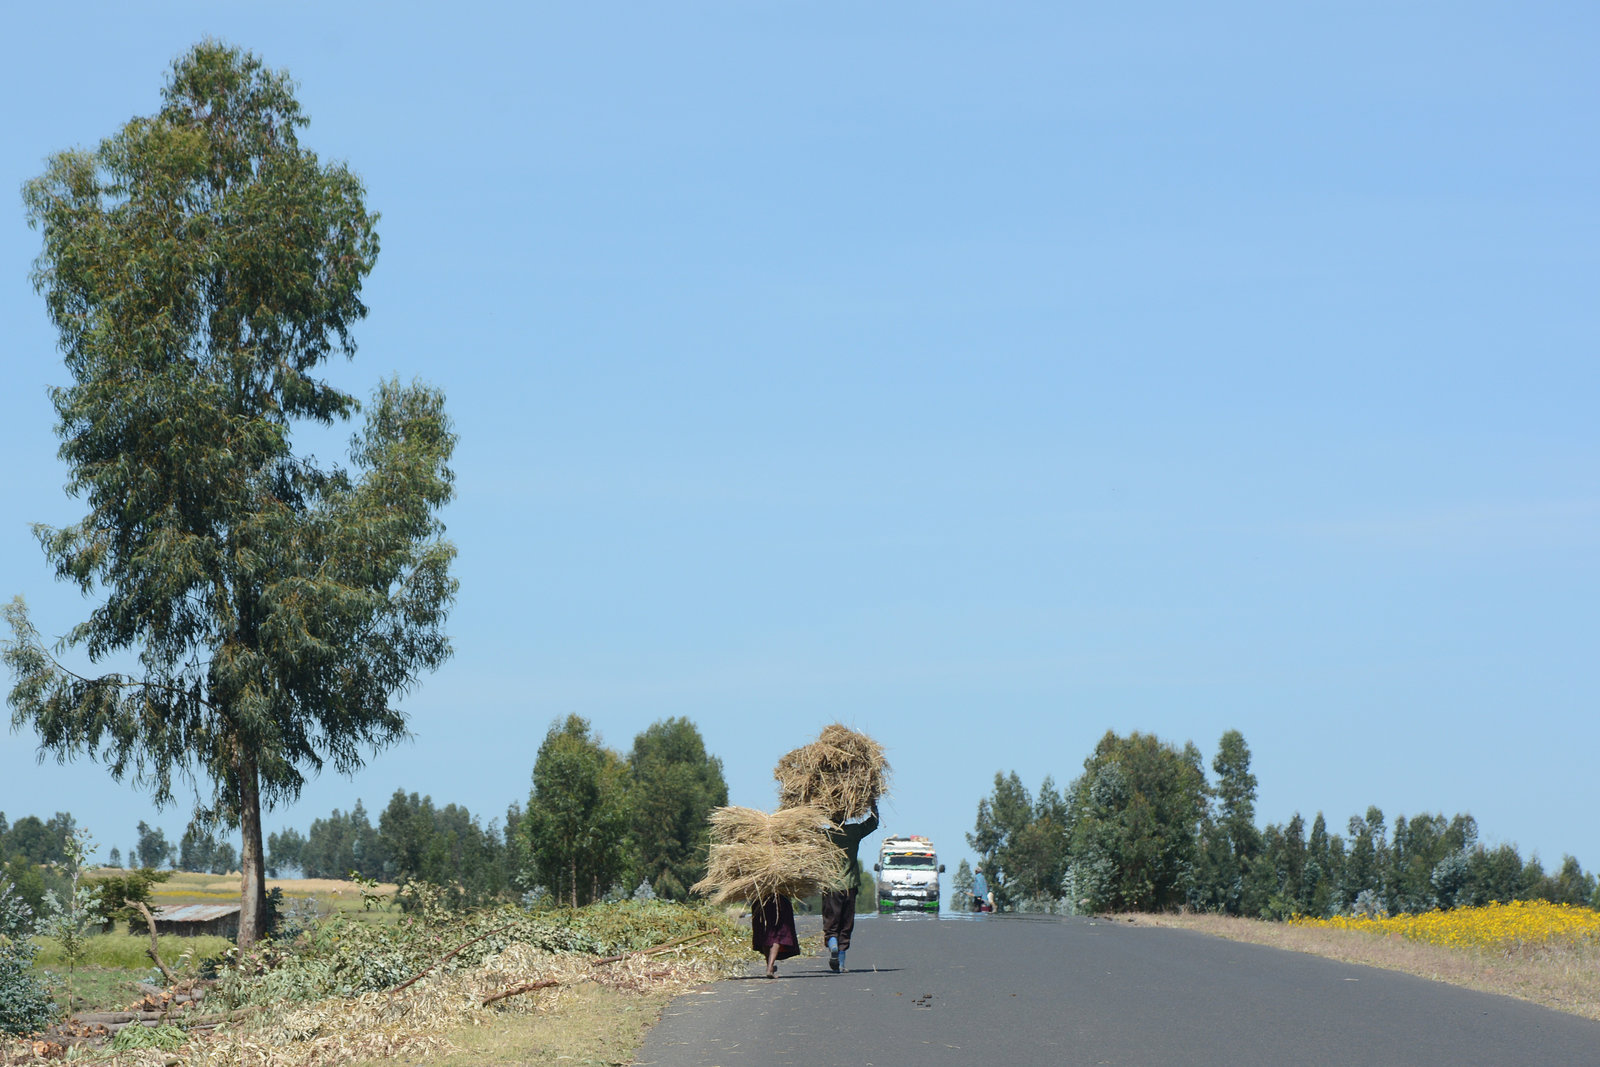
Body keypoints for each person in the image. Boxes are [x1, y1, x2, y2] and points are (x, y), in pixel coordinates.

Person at [822, 798, 879, 973]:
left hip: (831, 885)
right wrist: (872, 803)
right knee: (846, 924)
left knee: (831, 924)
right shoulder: (854, 832)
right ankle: (841, 963)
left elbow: (805, 830)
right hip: (850, 886)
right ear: (845, 817)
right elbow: (874, 822)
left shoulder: (825, 836)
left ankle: (832, 945)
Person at [751, 894, 800, 978]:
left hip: (760, 903)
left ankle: (769, 966)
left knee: (766, 935)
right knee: (777, 935)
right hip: (780, 902)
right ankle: (770, 967)